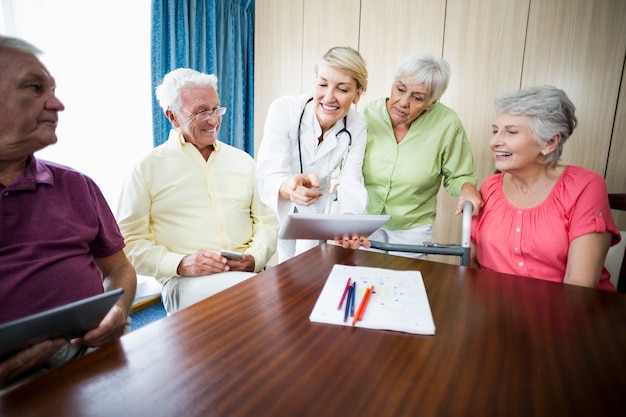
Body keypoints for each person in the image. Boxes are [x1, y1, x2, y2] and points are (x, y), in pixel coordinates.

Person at [0, 35, 136, 390]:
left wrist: (119, 310)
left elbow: (119, 267)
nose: (57, 104)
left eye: (54, 89)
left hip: (95, 352)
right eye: (34, 87)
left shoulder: (78, 185)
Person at [116, 68, 278, 314]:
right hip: (184, 282)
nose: (213, 120)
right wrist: (181, 264)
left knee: (282, 293)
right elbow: (129, 245)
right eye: (201, 111)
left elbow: (267, 223)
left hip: (248, 275)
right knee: (265, 297)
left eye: (216, 109)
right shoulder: (146, 169)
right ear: (172, 116)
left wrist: (254, 258)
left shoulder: (243, 161)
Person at [470, 85, 621, 290]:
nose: (494, 142)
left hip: (566, 312)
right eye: (495, 131)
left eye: (511, 132)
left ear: (549, 143)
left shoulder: (585, 186)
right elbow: (471, 264)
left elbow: (580, 285)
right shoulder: (489, 187)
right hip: (496, 309)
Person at [361, 53, 482, 258]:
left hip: (412, 227)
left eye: (417, 98)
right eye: (400, 89)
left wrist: (467, 187)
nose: (403, 102)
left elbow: (458, 175)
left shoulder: (447, 123)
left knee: (406, 284)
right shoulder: (368, 114)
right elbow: (348, 161)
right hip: (365, 219)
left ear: (431, 103)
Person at [257, 46, 370, 263]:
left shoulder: (356, 125)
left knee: (306, 271)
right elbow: (268, 174)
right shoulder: (286, 109)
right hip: (277, 204)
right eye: (322, 84)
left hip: (315, 208)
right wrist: (289, 187)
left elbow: (351, 180)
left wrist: (348, 224)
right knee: (282, 271)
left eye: (342, 89)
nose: (328, 97)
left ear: (358, 94)